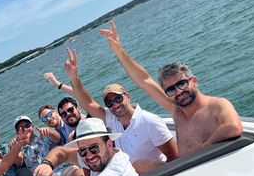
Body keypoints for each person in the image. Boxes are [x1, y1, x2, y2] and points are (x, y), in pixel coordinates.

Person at [100, 20, 243, 155]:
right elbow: (144, 80)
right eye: (171, 90)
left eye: (181, 84)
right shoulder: (177, 111)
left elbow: (233, 127)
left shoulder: (217, 105)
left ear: (194, 81)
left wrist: (199, 152)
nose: (179, 92)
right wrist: (118, 50)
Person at [62, 48, 179, 173]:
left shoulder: (149, 121)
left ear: (127, 96)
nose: (115, 104)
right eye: (109, 102)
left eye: (118, 98)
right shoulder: (110, 118)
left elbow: (174, 158)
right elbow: (87, 103)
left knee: (138, 165)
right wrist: (74, 77)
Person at [13, 115, 84, 176]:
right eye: (20, 128)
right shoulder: (20, 150)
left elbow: (57, 137)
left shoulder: (45, 137)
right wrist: (16, 147)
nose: (25, 129)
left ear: (32, 127)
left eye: (27, 125)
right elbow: (18, 161)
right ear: (17, 133)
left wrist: (49, 131)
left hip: (63, 171)